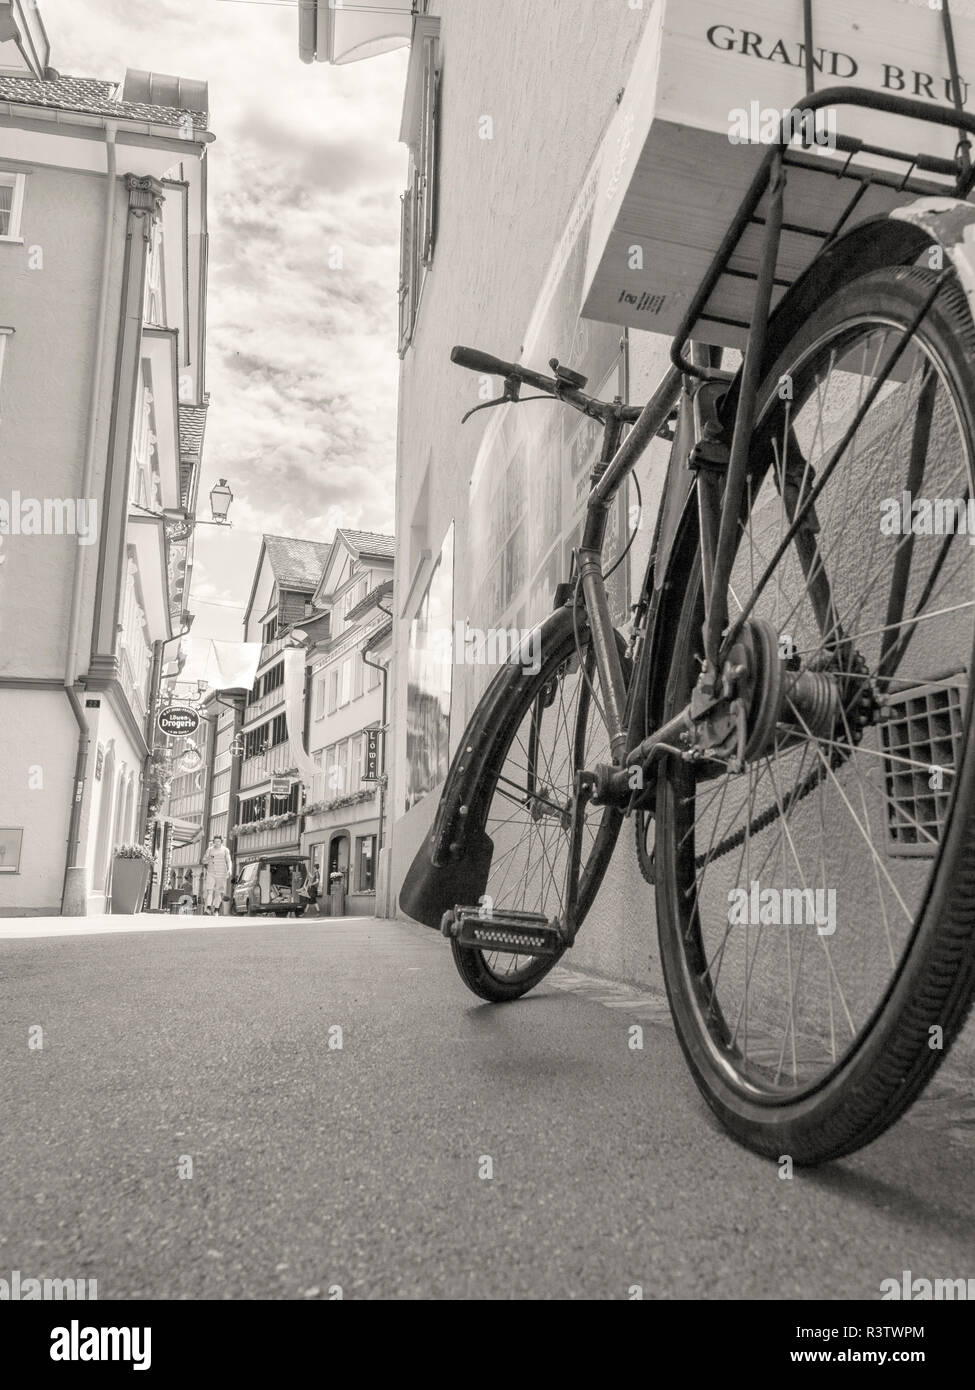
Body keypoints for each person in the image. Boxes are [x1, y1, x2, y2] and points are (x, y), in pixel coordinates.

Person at [201, 836, 232, 916]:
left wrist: (230, 869)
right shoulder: (210, 850)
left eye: (218, 841)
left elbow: (229, 860)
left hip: (222, 873)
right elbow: (203, 861)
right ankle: (208, 909)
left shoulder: (225, 850)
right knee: (209, 891)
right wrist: (208, 858)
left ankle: (216, 910)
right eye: (215, 841)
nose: (217, 843)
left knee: (218, 893)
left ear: (221, 842)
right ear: (213, 842)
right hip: (211, 872)